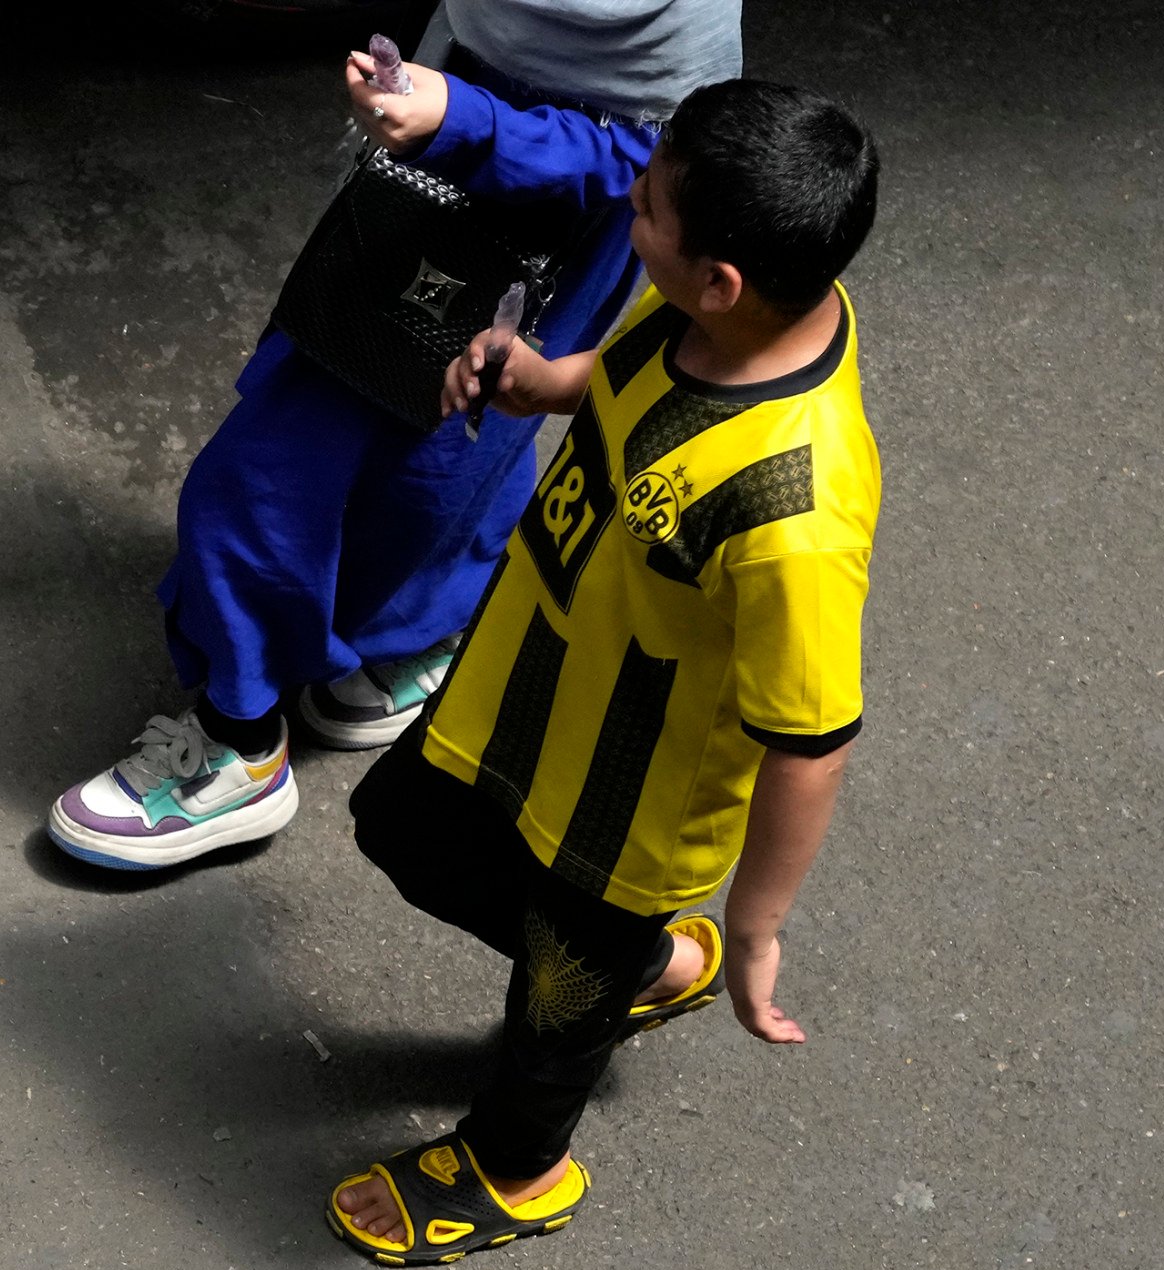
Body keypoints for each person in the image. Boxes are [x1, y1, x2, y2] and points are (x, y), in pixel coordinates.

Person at [324, 75, 881, 1263]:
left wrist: (760, 923)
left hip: (629, 803)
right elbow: (633, 372)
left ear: (721, 279)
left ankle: (519, 1167)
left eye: (648, 210)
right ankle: (641, 967)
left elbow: (813, 735)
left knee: (554, 1013)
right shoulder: (714, 314)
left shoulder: (800, 514)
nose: (630, 208)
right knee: (407, 832)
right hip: (524, 684)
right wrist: (540, 379)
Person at [46, 0, 738, 874]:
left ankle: (249, 746)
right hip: (465, 128)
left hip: (567, 192)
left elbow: (644, 158)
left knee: (428, 462)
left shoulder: (663, 64)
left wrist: (462, 117)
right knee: (314, 453)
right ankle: (351, 661)